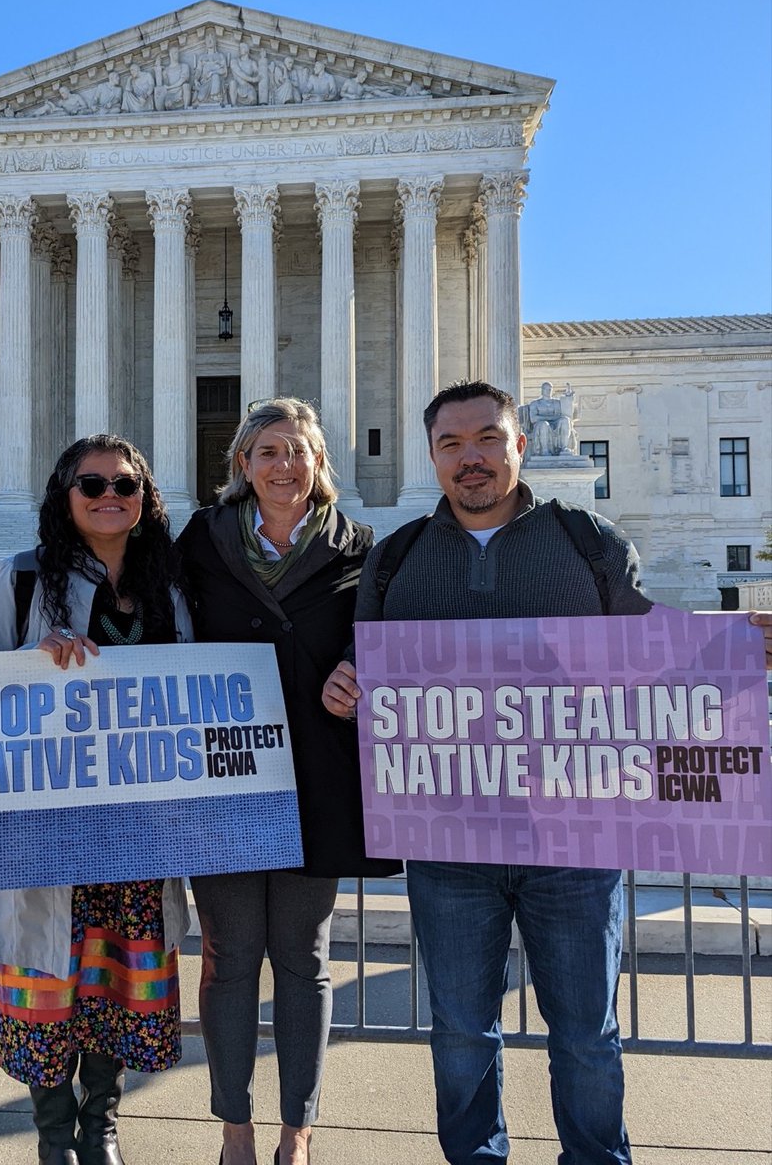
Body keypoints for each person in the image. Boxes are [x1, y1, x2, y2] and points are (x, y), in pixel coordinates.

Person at [322, 380, 772, 1165]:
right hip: (449, 846)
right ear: (432, 457)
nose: (472, 459)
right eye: (453, 444)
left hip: (576, 843)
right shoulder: (395, 560)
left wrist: (732, 643)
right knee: (461, 1031)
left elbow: (651, 654)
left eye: (489, 438)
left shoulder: (588, 542)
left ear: (521, 443)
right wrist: (345, 685)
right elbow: (367, 668)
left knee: (588, 1034)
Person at [177, 398, 400, 1165]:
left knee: (303, 960)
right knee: (229, 956)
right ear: (243, 464)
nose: (284, 466)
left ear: (320, 463)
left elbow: (391, 636)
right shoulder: (201, 540)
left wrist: (363, 667)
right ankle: (234, 1128)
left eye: (299, 451)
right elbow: (154, 623)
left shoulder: (361, 548)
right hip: (227, 776)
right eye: (268, 451)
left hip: (318, 775)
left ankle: (296, 1131)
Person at [0, 434, 193, 1165]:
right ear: (65, 497)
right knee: (46, 981)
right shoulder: (24, 578)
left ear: (145, 497)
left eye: (124, 482)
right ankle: (54, 1135)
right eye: (90, 484)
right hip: (47, 829)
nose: (108, 494)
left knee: (116, 979)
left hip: (136, 828)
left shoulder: (169, 584)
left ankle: (103, 1126)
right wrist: (34, 665)